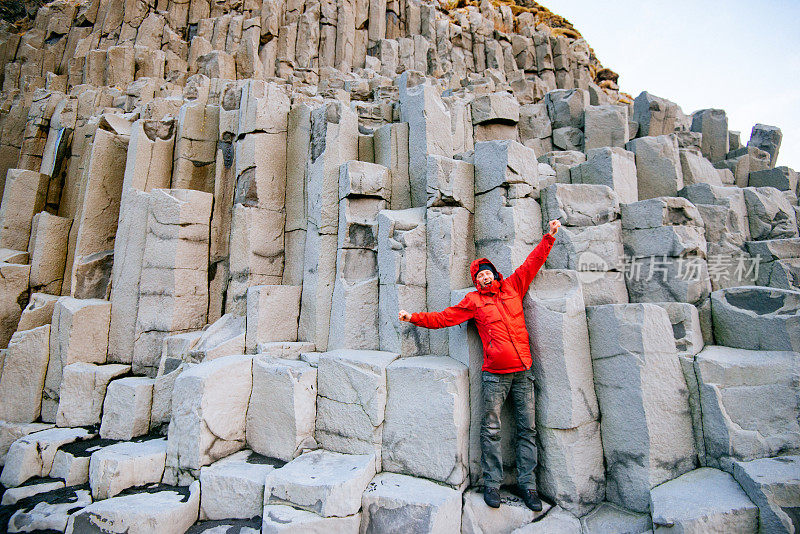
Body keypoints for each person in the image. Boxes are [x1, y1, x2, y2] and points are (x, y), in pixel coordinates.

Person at [399, 219, 561, 511]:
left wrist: (548, 237)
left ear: (494, 274)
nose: (484, 278)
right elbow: (444, 318)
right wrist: (414, 318)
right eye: (479, 276)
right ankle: (492, 485)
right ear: (476, 282)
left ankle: (529, 486)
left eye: (487, 273)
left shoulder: (513, 286)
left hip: (524, 373)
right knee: (491, 430)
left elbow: (532, 262)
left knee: (528, 430)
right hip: (494, 378)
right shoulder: (473, 301)